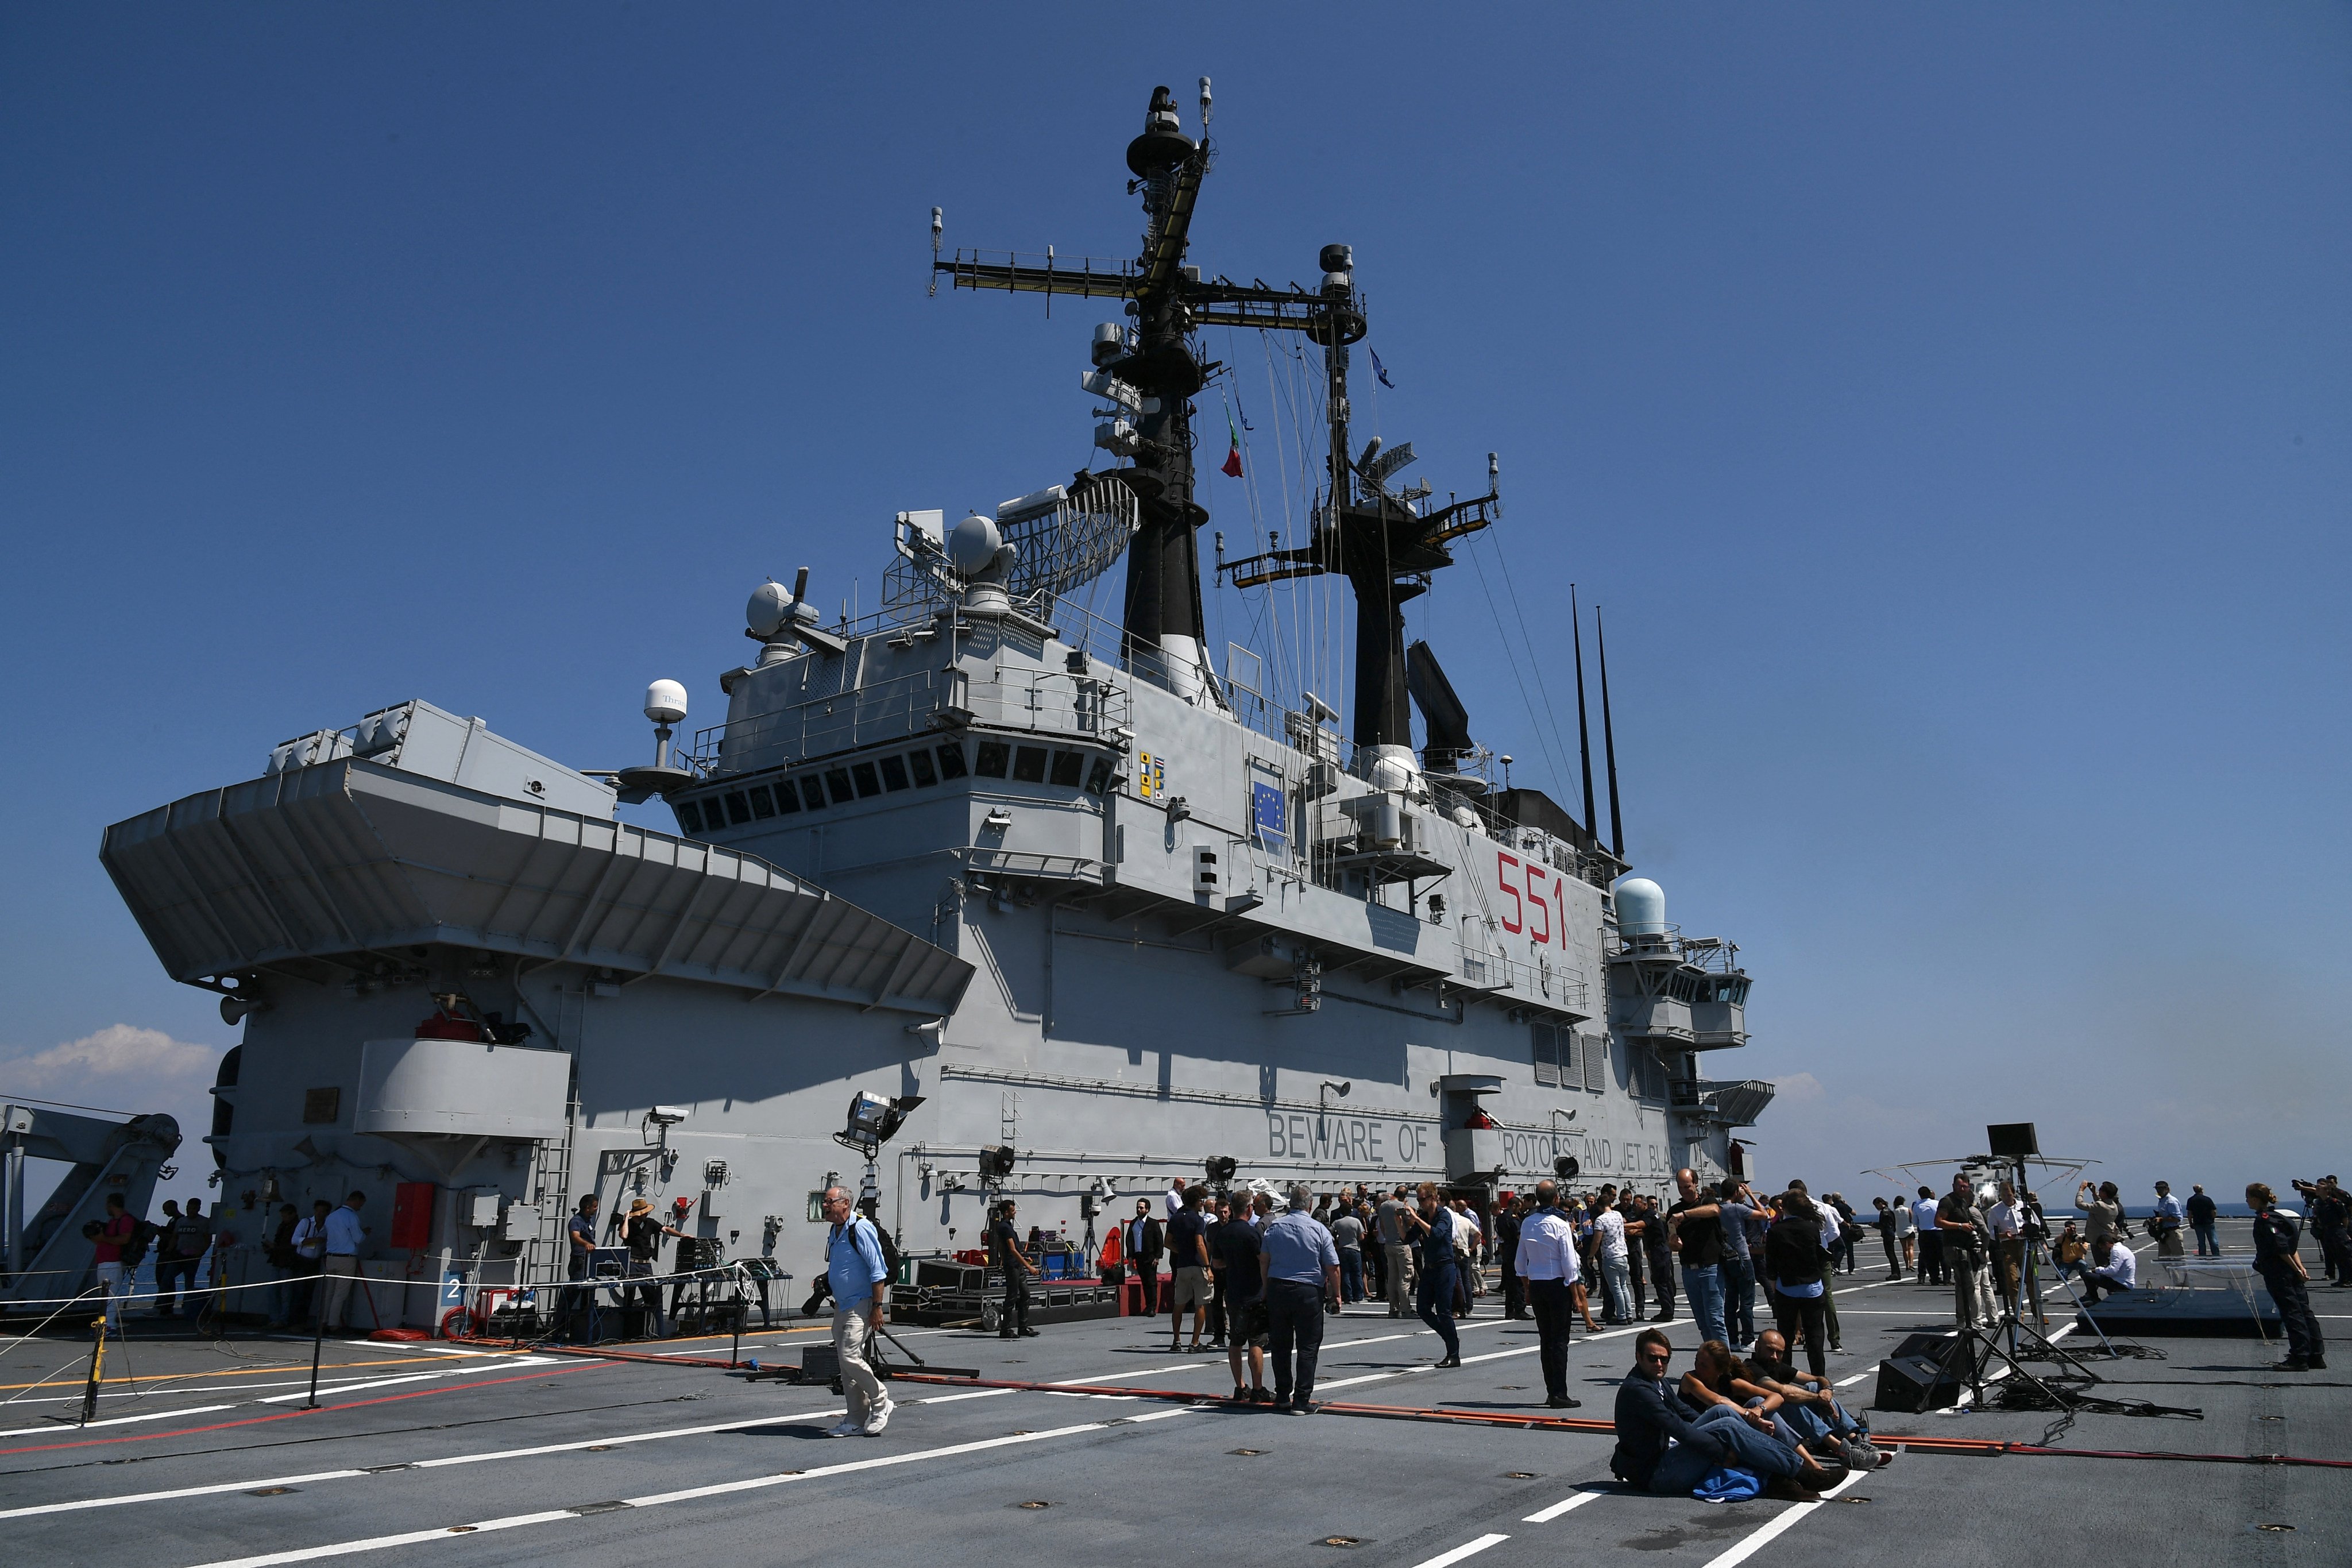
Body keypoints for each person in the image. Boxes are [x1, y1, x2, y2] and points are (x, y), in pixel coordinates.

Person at [1609, 1329, 1834, 1499]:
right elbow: (1677, 1428)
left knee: (1723, 1413)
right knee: (1726, 1426)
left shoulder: (1657, 1381)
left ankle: (1785, 1477)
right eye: (1653, 1358)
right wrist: (1724, 1451)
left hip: (1669, 1457)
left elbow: (1684, 1411)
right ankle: (1801, 1474)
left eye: (1664, 1359)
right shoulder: (1638, 1390)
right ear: (1638, 1357)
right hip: (1658, 1474)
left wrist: (1750, 1420)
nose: (1659, 1364)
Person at [1743, 1330, 1890, 1469]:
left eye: (1779, 1352)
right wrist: (1819, 1399)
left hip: (1780, 1421)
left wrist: (1827, 1390)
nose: (1774, 1357)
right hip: (1758, 1423)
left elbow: (1818, 1379)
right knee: (1788, 1400)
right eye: (1770, 1350)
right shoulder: (1750, 1367)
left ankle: (1855, 1440)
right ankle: (1843, 1450)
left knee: (1814, 1387)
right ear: (1757, 1347)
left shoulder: (1776, 1366)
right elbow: (1784, 1392)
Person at [820, 1185, 894, 1436]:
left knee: (850, 1357)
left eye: (829, 1202)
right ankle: (855, 1419)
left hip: (861, 1304)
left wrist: (877, 1307)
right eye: (825, 1201)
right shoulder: (835, 1230)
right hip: (843, 1305)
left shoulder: (860, 1228)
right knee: (846, 1364)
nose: (825, 1206)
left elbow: (878, 1269)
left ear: (845, 1204)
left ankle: (881, 1400)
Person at [1261, 1185, 1340, 1413]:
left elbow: (1264, 1260)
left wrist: (1266, 1289)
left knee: (1280, 1345)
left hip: (1278, 1288)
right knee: (1308, 1346)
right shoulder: (1319, 1229)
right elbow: (1332, 1266)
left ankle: (1282, 1395)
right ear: (1310, 1204)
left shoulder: (1275, 1227)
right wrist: (1336, 1295)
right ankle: (1302, 1399)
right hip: (1308, 1291)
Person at [1516, 1180, 1582, 1408]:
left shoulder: (1527, 1223)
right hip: (1557, 1285)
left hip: (1537, 1285)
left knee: (1546, 1340)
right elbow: (1569, 1264)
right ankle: (1560, 1393)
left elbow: (1520, 1262)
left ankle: (1551, 1391)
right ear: (1556, 1199)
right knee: (1560, 1341)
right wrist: (1575, 1296)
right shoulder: (1561, 1224)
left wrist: (1527, 1288)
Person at [2248, 1183, 2325, 1371]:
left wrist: (2297, 1270)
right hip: (2290, 1272)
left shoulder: (2265, 1220)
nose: (2247, 1201)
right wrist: (2300, 1268)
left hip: (2279, 1273)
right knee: (2305, 1312)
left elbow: (2281, 1248)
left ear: (2256, 1199)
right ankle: (2316, 1355)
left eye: (2248, 1197)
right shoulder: (2280, 1218)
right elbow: (2292, 1248)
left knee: (2292, 1314)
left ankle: (2299, 1356)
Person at [1762, 1189, 1830, 1377]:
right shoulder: (1812, 1228)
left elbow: (1771, 1264)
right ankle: (1819, 1378)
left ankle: (1785, 1377)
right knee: (1815, 1336)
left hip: (1787, 1289)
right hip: (1812, 1288)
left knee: (1785, 1337)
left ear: (1784, 1208)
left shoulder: (1775, 1231)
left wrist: (1774, 1288)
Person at [1211, 1198, 1270, 1403]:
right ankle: (1258, 1388)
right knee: (1256, 1341)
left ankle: (1240, 1386)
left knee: (1235, 1342)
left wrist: (1233, 1262)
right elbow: (1262, 1260)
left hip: (1234, 1294)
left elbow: (1216, 1263)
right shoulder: (1252, 1233)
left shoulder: (1223, 1233)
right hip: (1254, 1293)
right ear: (1249, 1208)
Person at [1399, 1181, 1461, 1366]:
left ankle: (1454, 1354)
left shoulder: (1444, 1216)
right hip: (1430, 1268)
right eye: (1418, 1200)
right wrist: (1399, 1221)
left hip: (1445, 1267)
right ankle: (1450, 1337)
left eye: (1422, 1199)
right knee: (1423, 1309)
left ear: (1433, 1198)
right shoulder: (1424, 1216)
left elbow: (1437, 1234)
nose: (1420, 1203)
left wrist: (1417, 1219)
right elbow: (1407, 1239)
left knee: (1444, 1311)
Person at [1666, 1168, 1727, 1346]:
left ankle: (1724, 1359)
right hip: (1689, 1271)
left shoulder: (1707, 1202)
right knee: (1703, 1323)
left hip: (1710, 1268)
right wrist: (1674, 1244)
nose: (1684, 1191)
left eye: (1687, 1186)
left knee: (1715, 1320)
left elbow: (1715, 1210)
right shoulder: (1673, 1211)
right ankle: (1711, 1357)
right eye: (1680, 1187)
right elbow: (1672, 1242)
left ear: (1696, 1184)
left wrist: (1686, 1214)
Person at [1936, 1174, 1996, 1330]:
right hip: (1955, 1248)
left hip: (1966, 1248)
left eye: (1965, 1187)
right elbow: (1938, 1221)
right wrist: (1960, 1226)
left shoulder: (1963, 1202)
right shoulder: (1948, 1201)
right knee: (1968, 1285)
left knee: (1964, 1286)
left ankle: (1964, 1320)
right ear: (1953, 1186)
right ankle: (1965, 1320)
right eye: (1959, 1186)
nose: (1962, 1189)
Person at [620, 1198, 685, 1338]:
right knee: (629, 1296)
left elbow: (665, 1229)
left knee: (650, 1296)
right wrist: (626, 1218)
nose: (647, 1214)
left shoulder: (650, 1223)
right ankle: (626, 1332)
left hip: (645, 1264)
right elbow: (624, 1235)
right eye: (644, 1212)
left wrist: (682, 1235)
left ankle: (654, 1330)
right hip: (631, 1264)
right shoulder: (628, 1225)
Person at [1165, 1185, 1212, 1351]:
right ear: (1195, 1202)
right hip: (1198, 1265)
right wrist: (1208, 1267)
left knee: (1179, 1304)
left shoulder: (1175, 1219)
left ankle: (1177, 1340)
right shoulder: (1198, 1220)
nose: (1202, 1203)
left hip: (1182, 1266)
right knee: (1200, 1304)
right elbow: (1200, 1244)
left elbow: (1167, 1242)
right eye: (1201, 1200)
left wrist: (1181, 1251)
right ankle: (1195, 1343)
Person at [314, 1191, 369, 1334]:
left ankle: (323, 1321)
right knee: (340, 1293)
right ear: (357, 1201)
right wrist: (365, 1233)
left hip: (331, 1257)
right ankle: (333, 1324)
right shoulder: (352, 1216)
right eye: (361, 1204)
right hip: (346, 1258)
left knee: (329, 1292)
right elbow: (358, 1238)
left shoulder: (332, 1216)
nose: (361, 1207)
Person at [1717, 1180, 1760, 1350]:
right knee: (1747, 1302)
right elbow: (1764, 1214)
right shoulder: (1737, 1208)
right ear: (1736, 1193)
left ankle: (1733, 1340)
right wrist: (1750, 1194)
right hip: (1743, 1257)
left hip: (1726, 1258)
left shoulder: (1716, 1209)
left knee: (1731, 1301)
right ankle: (1748, 1339)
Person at [991, 1199, 1040, 1339]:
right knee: (1011, 1297)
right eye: (1013, 1211)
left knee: (1025, 1294)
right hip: (1013, 1266)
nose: (1015, 1213)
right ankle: (1005, 1329)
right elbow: (1012, 1249)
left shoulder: (1007, 1226)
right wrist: (1029, 1266)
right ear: (1006, 1212)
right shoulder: (1004, 1227)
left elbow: (1002, 1246)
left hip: (1016, 1265)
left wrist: (1002, 1259)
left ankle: (1023, 1327)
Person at [88, 1192, 137, 1335]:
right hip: (105, 1261)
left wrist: (103, 1238)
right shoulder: (113, 1221)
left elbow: (124, 1239)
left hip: (113, 1262)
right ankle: (105, 1323)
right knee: (104, 1295)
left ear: (111, 1205)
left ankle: (110, 1325)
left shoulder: (126, 1220)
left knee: (110, 1294)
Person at [1592, 1184, 1633, 1324]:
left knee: (1616, 1289)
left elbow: (1597, 1240)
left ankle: (1622, 1316)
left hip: (1610, 1256)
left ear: (1599, 1206)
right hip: (1623, 1255)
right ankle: (1629, 1314)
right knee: (1624, 1287)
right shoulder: (1618, 1215)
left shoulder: (1601, 1220)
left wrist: (1591, 1256)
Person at [562, 1195, 601, 1342]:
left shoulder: (588, 1221)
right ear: (587, 1208)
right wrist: (586, 1245)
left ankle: (584, 1330)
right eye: (595, 1206)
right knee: (572, 1294)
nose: (596, 1209)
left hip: (589, 1261)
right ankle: (561, 1329)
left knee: (587, 1295)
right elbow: (575, 1236)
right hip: (579, 1262)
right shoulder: (576, 1221)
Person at [1985, 1182, 2024, 1318]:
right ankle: (2019, 1313)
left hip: (2024, 1244)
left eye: (2009, 1195)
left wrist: (2026, 1230)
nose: (2007, 1198)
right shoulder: (1995, 1210)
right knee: (2011, 1281)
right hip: (2007, 1246)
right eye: (2003, 1195)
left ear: (2014, 1194)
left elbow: (2035, 1223)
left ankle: (2037, 1311)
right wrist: (2003, 1235)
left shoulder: (2023, 1206)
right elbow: (1991, 1232)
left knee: (2031, 1279)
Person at [1375, 1185, 1413, 1319]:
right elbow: (1410, 1223)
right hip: (1402, 1244)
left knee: (1392, 1277)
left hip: (1389, 1243)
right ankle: (1406, 1308)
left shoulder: (1383, 1206)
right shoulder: (1401, 1207)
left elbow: (1382, 1226)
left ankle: (1394, 1308)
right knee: (1405, 1276)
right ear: (1405, 1196)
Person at [1636, 1193, 1676, 1322]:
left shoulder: (1649, 1215)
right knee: (1665, 1281)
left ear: (1645, 1205)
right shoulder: (1654, 1216)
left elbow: (1641, 1225)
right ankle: (1669, 1309)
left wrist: (1623, 1225)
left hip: (1659, 1250)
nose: (1635, 1207)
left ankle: (1667, 1311)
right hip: (1662, 1249)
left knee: (1660, 1281)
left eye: (1637, 1205)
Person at [262, 1202, 302, 1328]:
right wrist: (271, 1249)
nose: (284, 1219)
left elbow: (293, 1246)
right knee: (273, 1291)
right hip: (278, 1261)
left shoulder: (297, 1227)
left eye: (285, 1216)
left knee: (286, 1293)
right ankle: (275, 1319)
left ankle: (282, 1320)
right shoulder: (283, 1226)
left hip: (288, 1263)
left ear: (293, 1214)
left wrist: (274, 1248)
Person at [150, 1200, 190, 1317]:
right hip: (165, 1253)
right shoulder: (173, 1221)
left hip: (169, 1255)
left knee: (165, 1280)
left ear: (173, 1208)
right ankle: (166, 1305)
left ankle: (164, 1305)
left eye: (166, 1210)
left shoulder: (179, 1221)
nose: (164, 1213)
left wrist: (159, 1233)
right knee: (163, 1280)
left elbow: (174, 1237)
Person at [1125, 1200, 1164, 1315]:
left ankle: (1152, 1307)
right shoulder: (1134, 1223)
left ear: (1147, 1210)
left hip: (1150, 1257)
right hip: (1139, 1256)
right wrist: (1130, 1256)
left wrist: (1158, 1257)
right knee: (1145, 1282)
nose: (1139, 1210)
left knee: (1151, 1282)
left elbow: (1159, 1241)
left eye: (1141, 1208)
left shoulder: (1153, 1223)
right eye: (1138, 1208)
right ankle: (1148, 1306)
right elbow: (1129, 1240)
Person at [2079, 1235, 2137, 1304]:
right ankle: (2091, 1296)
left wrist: (2097, 1270)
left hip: (2122, 1285)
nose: (2103, 1251)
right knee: (2097, 1275)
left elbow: (2112, 1271)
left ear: (2107, 1244)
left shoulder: (2116, 1251)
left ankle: (2093, 1298)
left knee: (2087, 1275)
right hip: (2125, 1282)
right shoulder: (2122, 1249)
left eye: (2102, 1248)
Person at [1330, 1199, 1366, 1305]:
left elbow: (1329, 1232)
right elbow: (1362, 1237)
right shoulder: (1356, 1221)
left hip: (1342, 1249)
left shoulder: (1338, 1222)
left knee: (1345, 1274)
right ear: (1351, 1211)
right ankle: (1359, 1297)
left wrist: (1336, 1243)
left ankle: (1348, 1297)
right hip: (1355, 1249)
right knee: (1357, 1273)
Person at [1910, 1186, 1944, 1285]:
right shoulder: (1937, 1203)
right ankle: (1947, 1278)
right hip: (1939, 1232)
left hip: (1925, 1233)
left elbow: (1915, 1221)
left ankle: (1934, 1278)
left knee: (1929, 1257)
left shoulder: (1917, 1206)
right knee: (1943, 1256)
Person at [2150, 1181, 2187, 1260]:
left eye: (2161, 1188)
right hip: (2164, 1233)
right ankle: (2171, 1269)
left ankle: (2181, 1268)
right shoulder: (2162, 1201)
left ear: (2167, 1189)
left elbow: (2177, 1219)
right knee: (2163, 1258)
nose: (2159, 1190)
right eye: (2157, 1189)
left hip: (2173, 1232)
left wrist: (2161, 1219)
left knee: (2179, 1258)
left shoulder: (2171, 1201)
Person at [1870, 1196, 1902, 1280]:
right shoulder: (1888, 1211)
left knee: (1890, 1254)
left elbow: (1884, 1225)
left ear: (1880, 1203)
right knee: (1891, 1254)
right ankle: (1896, 1273)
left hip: (1888, 1234)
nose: (1876, 1207)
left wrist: (1874, 1225)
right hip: (1890, 1233)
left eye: (1876, 1205)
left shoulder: (1885, 1212)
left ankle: (1895, 1273)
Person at [2185, 1184, 2220, 1258]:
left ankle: (2202, 1255)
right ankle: (2216, 1255)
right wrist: (2213, 1219)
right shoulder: (2207, 1199)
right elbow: (2213, 1211)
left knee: (2201, 1241)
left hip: (2198, 1223)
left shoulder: (2191, 1200)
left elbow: (2189, 1213)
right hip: (2208, 1222)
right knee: (2213, 1240)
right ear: (2202, 1190)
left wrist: (2190, 1223)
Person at [1891, 1189, 1916, 1275]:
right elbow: (1912, 1220)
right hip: (1910, 1230)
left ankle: (1907, 1265)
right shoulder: (1907, 1210)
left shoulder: (1894, 1212)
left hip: (1900, 1231)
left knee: (1904, 1249)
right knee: (1911, 1248)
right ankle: (1911, 1264)